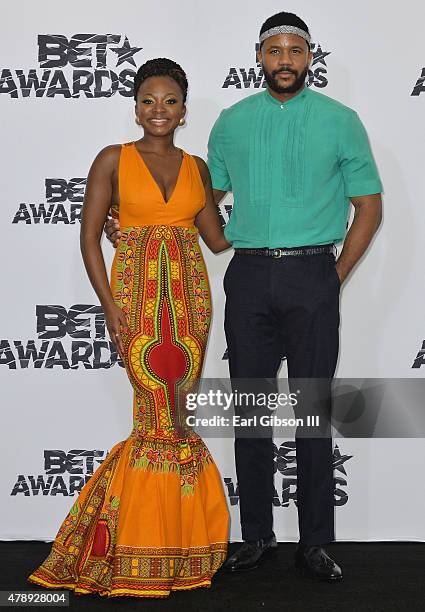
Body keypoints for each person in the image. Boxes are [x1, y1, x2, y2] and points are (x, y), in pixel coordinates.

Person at [105, 12, 383, 582]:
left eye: (295, 51)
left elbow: (369, 206)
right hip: (248, 277)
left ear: (310, 58)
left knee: (310, 411)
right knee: (250, 411)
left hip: (313, 275)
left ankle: (314, 543)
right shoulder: (231, 123)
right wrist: (127, 221)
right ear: (260, 57)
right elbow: (199, 201)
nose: (285, 60)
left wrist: (335, 276)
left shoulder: (342, 120)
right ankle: (256, 536)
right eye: (274, 51)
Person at [28, 58, 230, 599]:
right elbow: (90, 238)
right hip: (136, 300)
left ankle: (179, 546)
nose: (158, 110)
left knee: (178, 412)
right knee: (154, 413)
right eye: (148, 100)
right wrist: (110, 307)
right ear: (135, 107)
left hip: (189, 301)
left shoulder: (197, 168)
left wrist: (274, 202)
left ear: (184, 110)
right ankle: (138, 544)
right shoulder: (112, 160)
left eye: (169, 101)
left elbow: (216, 239)